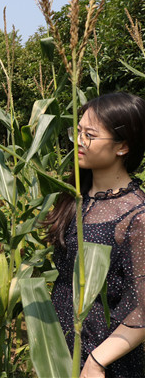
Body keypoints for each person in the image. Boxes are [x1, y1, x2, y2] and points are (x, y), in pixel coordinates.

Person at [45, 92, 145, 378]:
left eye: (89, 134)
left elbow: (143, 307)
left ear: (122, 146)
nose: (78, 141)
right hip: (61, 348)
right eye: (77, 131)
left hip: (105, 358)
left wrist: (97, 361)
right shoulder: (76, 197)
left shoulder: (137, 215)